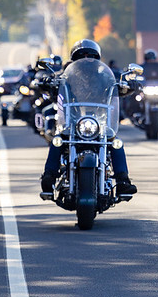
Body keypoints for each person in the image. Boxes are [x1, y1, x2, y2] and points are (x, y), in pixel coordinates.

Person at [40, 39, 138, 196]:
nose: (86, 59)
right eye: (82, 56)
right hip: (72, 122)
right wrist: (46, 82)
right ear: (74, 59)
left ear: (96, 58)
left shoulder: (105, 77)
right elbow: (53, 88)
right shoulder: (64, 77)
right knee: (57, 141)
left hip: (99, 122)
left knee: (116, 143)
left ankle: (122, 182)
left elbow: (118, 86)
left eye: (90, 56)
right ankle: (48, 177)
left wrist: (129, 85)